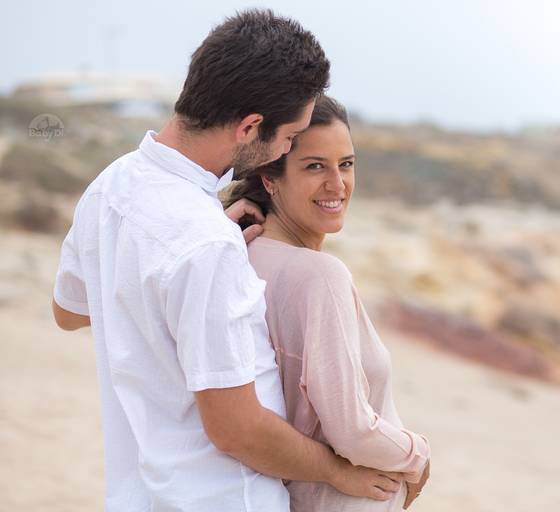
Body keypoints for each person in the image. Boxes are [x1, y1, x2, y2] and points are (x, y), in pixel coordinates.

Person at [51, 10, 402, 511]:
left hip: (137, 495)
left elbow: (70, 312)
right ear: (250, 126)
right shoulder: (207, 243)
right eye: (289, 136)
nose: (286, 146)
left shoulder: (111, 187)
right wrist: (338, 472)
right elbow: (238, 430)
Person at [226, 95, 431, 511]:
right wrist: (418, 455)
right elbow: (351, 430)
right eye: (315, 166)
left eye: (347, 164)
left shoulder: (238, 254)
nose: (337, 184)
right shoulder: (320, 275)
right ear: (270, 176)